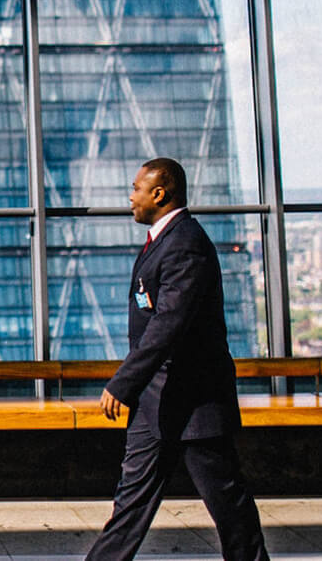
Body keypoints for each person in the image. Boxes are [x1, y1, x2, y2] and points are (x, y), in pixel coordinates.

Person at [85, 158, 270, 561]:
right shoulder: (164, 240)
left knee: (227, 502)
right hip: (156, 402)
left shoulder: (185, 243)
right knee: (130, 506)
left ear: (159, 193)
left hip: (193, 403)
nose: (129, 197)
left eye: (135, 188)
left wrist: (122, 383)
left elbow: (169, 324)